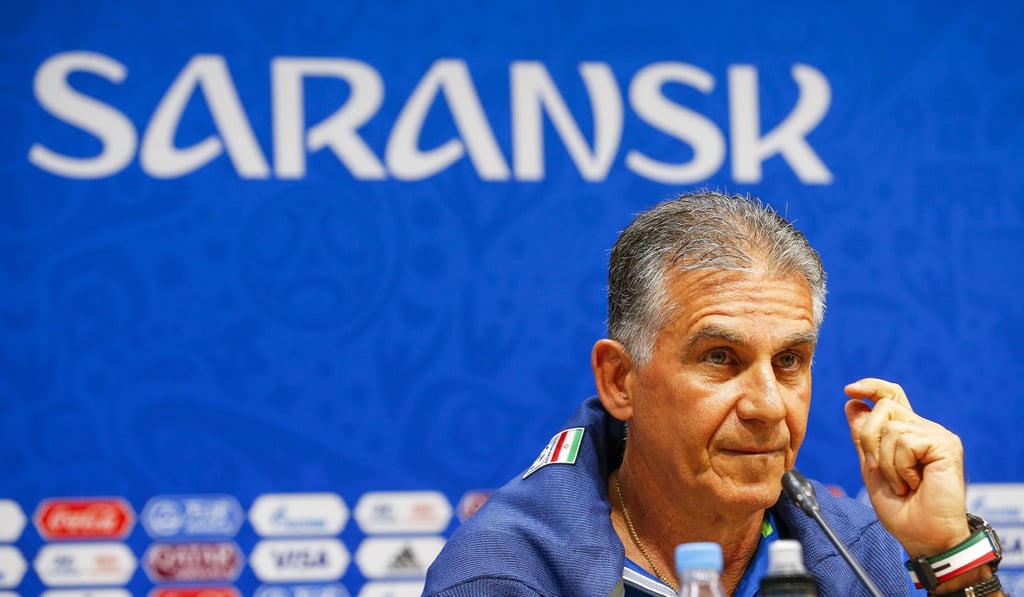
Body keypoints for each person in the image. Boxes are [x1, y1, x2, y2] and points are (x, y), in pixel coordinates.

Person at [422, 191, 1006, 597]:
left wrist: (949, 553)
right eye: (720, 359)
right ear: (620, 381)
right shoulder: (507, 574)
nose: (768, 406)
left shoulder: (850, 548)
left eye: (789, 362)